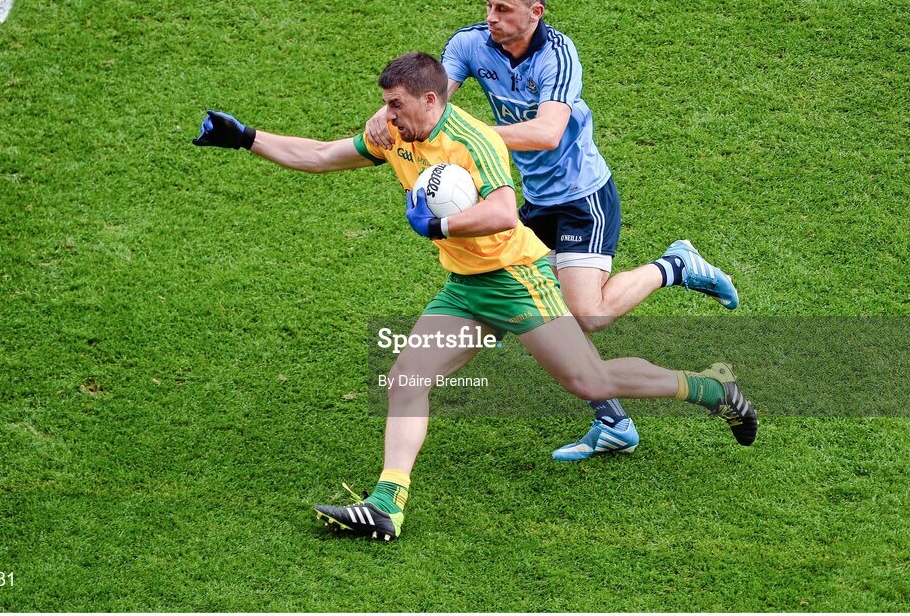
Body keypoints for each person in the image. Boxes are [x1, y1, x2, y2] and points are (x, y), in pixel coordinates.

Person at [193, 51, 758, 541]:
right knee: (407, 376)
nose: (386, 116)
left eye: (395, 105)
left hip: (515, 279)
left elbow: (504, 212)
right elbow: (320, 155)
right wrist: (246, 138)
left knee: (591, 381)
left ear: (430, 99)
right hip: (465, 287)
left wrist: (437, 226)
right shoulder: (395, 135)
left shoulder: (472, 142)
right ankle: (387, 504)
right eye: (385, 104)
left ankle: (712, 389)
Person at [364, 0, 740, 462]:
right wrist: (391, 113)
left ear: (535, 12)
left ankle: (675, 265)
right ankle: (614, 423)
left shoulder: (558, 56)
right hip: (536, 199)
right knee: (545, 311)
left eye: (503, 9)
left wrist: (471, 140)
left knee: (587, 314)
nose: (491, 16)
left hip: (582, 197)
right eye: (488, 5)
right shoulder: (470, 45)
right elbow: (429, 105)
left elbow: (546, 133)